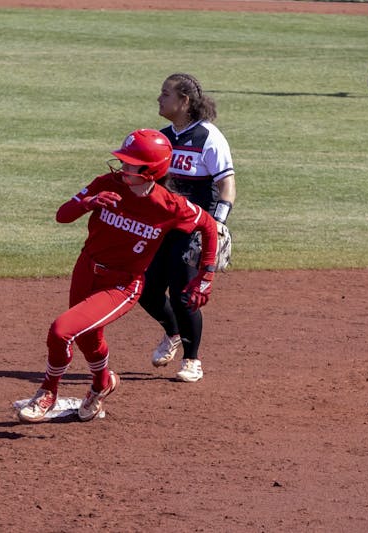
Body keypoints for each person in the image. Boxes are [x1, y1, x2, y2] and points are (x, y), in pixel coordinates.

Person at [17, 129, 219, 423]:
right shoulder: (106, 184)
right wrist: (88, 203)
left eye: (130, 163)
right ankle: (103, 383)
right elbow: (63, 215)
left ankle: (47, 391)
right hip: (86, 270)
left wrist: (206, 275)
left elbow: (209, 225)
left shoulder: (169, 206)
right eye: (122, 160)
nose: (122, 167)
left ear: (150, 171)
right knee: (88, 337)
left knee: (61, 331)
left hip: (122, 285)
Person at [138, 73, 236, 383]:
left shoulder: (208, 137)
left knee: (183, 294)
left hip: (193, 230)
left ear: (184, 101)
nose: (159, 98)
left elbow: (226, 185)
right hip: (161, 228)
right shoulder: (161, 138)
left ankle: (192, 360)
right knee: (146, 290)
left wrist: (217, 225)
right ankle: (173, 333)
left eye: (165, 94)